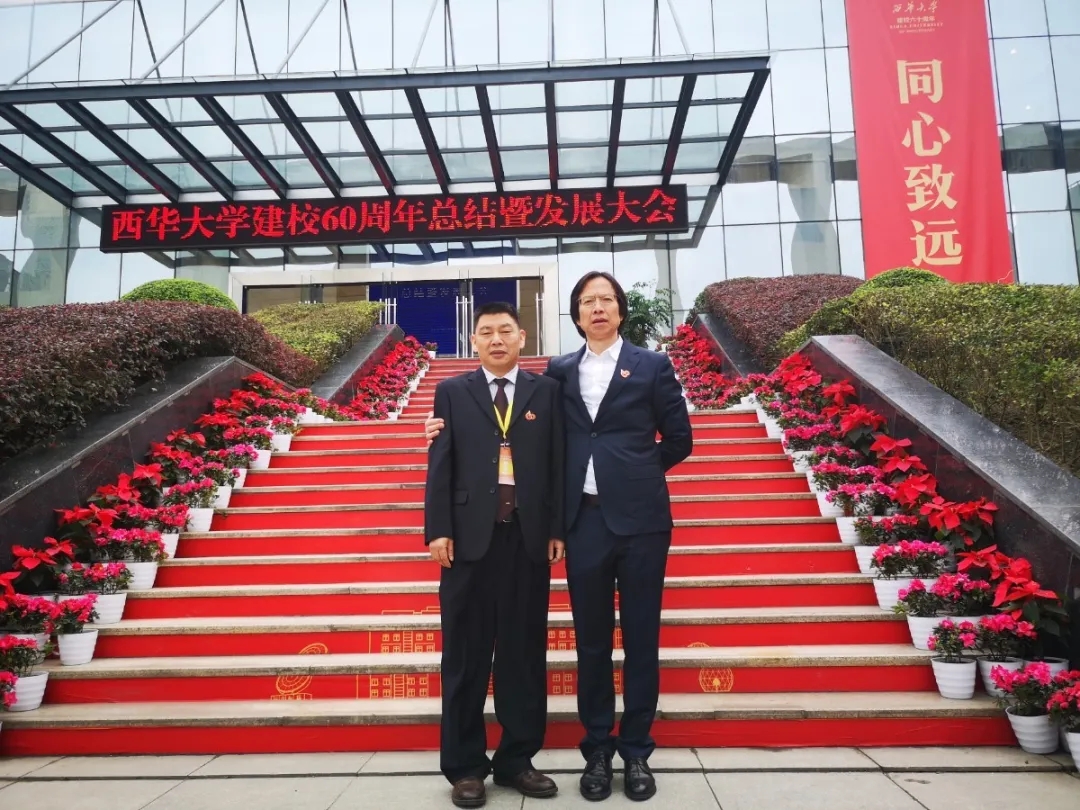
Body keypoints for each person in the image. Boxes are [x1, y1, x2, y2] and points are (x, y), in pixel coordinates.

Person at [427, 272, 693, 802]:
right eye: (588, 301)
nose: (598, 308)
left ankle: (622, 753)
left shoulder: (629, 369)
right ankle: (573, 754)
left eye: (606, 300)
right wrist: (437, 513)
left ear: (620, 310)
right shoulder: (545, 376)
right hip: (538, 529)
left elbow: (676, 439)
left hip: (612, 525)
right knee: (573, 645)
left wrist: (634, 474)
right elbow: (474, 453)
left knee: (618, 642)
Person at [425, 301, 566, 809]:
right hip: (467, 541)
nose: (497, 339)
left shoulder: (546, 392)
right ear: (475, 341)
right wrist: (438, 529)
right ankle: (465, 768)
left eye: (506, 330)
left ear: (522, 337)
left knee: (523, 654)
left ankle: (516, 760)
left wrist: (556, 528)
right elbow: (440, 463)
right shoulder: (451, 391)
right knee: (464, 656)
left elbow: (557, 463)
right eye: (486, 332)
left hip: (527, 539)